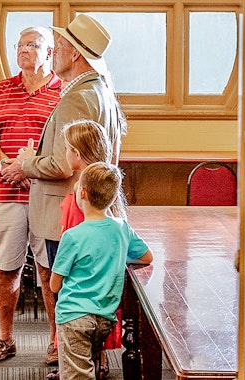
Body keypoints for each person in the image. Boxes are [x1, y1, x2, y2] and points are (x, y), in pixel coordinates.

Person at [0, 14, 125, 282]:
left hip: (67, 214)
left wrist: (25, 164)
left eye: (60, 45)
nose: (55, 51)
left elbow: (62, 164)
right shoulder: (101, 93)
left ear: (76, 55)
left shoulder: (76, 99)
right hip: (87, 208)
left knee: (66, 296)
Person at [0, 27, 63, 365]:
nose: (24, 50)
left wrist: (30, 169)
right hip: (7, 193)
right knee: (6, 269)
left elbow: (65, 145)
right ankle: (5, 339)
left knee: (49, 270)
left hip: (47, 195)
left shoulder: (63, 93)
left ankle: (57, 342)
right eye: (20, 44)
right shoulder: (1, 89)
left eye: (32, 44)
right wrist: (3, 164)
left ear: (50, 52)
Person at [49, 162, 153, 380]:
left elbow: (54, 284)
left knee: (78, 373)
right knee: (89, 365)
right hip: (104, 317)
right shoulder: (121, 228)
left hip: (74, 315)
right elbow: (146, 257)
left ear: (82, 193)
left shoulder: (73, 236)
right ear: (114, 199)